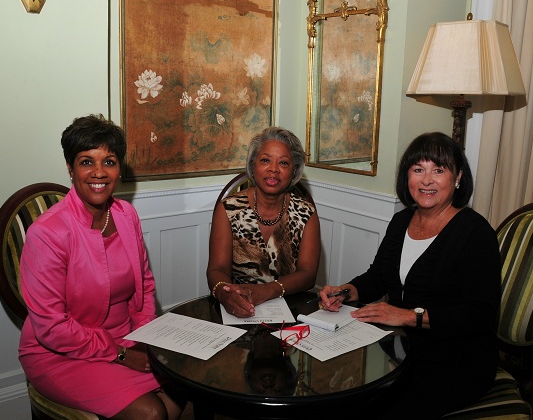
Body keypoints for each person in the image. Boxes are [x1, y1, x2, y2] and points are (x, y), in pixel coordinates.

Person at [316, 132, 501, 418]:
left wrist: (407, 316)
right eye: (418, 170)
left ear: (458, 177)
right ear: (407, 177)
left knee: (372, 407)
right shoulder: (401, 220)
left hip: (455, 361)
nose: (427, 180)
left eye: (438, 170)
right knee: (334, 387)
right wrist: (345, 291)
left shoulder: (476, 233)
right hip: (399, 348)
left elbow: (479, 315)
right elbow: (378, 277)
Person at [18, 115, 183, 420]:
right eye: (86, 162)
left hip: (127, 339)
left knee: (184, 396)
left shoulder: (126, 215)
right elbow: (52, 328)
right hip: (58, 353)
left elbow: (145, 288)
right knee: (151, 413)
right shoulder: (47, 233)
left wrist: (142, 341)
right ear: (70, 169)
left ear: (119, 168)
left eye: (109, 162)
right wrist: (120, 354)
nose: (99, 172)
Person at [207, 126, 321, 317]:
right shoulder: (227, 209)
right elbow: (217, 269)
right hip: (240, 307)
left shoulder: (306, 213)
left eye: (283, 163)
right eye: (265, 160)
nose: (273, 169)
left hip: (291, 309)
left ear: (294, 172)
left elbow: (308, 275)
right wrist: (224, 294)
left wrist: (267, 291)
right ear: (253, 166)